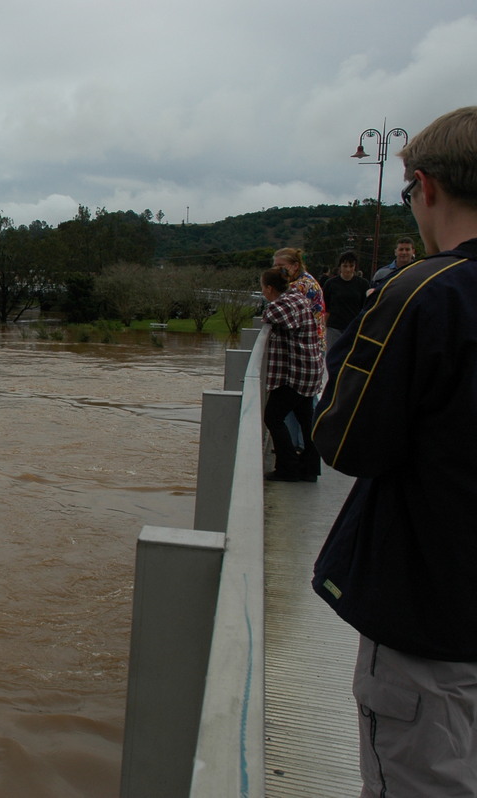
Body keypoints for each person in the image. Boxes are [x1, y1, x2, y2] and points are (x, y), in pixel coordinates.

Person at [311, 105, 477, 796]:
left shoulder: (422, 294)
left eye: (406, 194)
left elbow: (343, 440)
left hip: (430, 614)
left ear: (426, 186)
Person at [260, 266, 323, 481]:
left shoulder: (286, 303)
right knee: (305, 419)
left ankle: (288, 468)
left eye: (263, 288)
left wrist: (267, 310)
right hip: (307, 370)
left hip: (298, 373)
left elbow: (270, 314)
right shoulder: (296, 296)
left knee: (273, 417)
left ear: (269, 288)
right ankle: (309, 468)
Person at [321, 251, 370, 349]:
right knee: (333, 357)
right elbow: (325, 307)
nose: (348, 269)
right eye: (345, 266)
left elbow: (365, 307)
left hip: (354, 327)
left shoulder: (363, 284)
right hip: (334, 327)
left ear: (355, 266)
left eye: (351, 266)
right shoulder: (330, 284)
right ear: (340, 266)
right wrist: (323, 326)